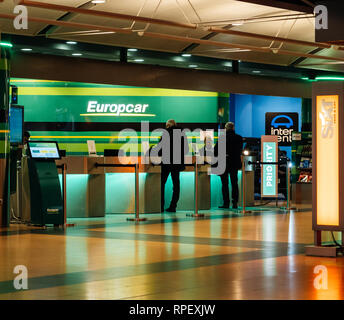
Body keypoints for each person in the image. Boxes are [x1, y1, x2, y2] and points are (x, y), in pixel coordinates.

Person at [157, 119, 189, 213]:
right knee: (176, 185)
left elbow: (160, 148)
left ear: (168, 125)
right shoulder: (182, 133)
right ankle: (173, 206)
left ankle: (160, 206)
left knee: (162, 183)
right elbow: (186, 148)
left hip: (166, 162)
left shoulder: (165, 133)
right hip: (177, 163)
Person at [215, 122, 243, 209]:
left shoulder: (222, 138)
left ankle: (226, 203)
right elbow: (239, 150)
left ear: (226, 128)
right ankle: (235, 203)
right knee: (234, 183)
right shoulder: (239, 138)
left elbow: (216, 151)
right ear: (233, 128)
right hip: (234, 163)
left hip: (224, 163)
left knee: (225, 184)